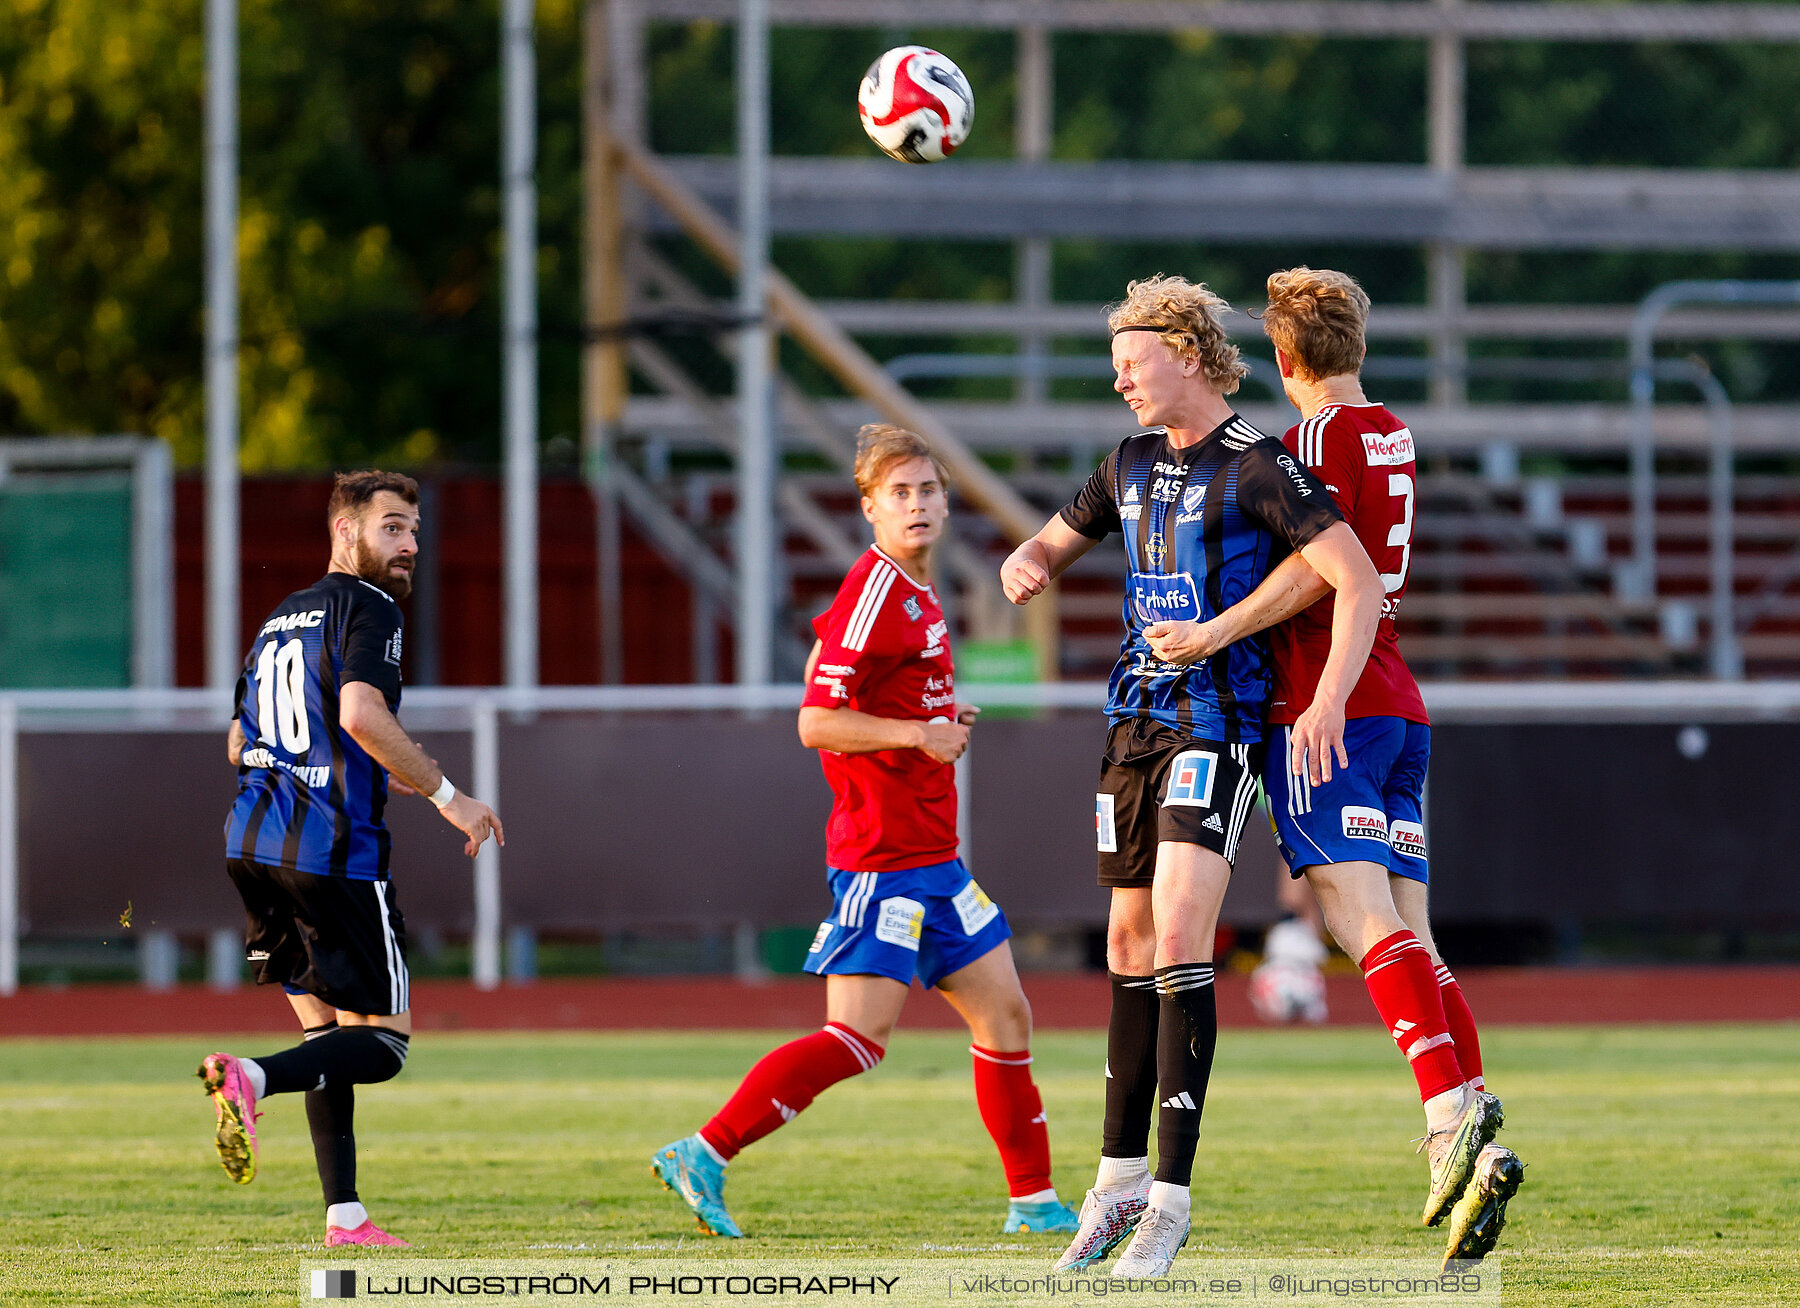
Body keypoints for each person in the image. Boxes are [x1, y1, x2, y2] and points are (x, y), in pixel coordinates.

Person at [1000, 275, 1384, 1277]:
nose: (1121, 379)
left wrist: (1332, 694)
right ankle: (1118, 1184)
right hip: (1131, 723)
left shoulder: (1260, 464)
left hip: (1217, 724)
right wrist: (1029, 561)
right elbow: (1056, 531)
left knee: (1178, 930)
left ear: (1186, 354)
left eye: (1133, 361)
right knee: (1126, 939)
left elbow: (1355, 574)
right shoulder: (1126, 462)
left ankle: (1171, 1198)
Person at [1164, 267, 1524, 1266]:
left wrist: (1217, 631)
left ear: (1284, 362)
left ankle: (1450, 1116)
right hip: (1399, 701)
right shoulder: (1394, 431)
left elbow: (1321, 569)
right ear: (1357, 345)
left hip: (1334, 702)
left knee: (1354, 920)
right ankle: (1470, 1125)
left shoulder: (1312, 441)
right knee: (1412, 930)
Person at [651, 425, 1078, 1240]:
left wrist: (934, 715)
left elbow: (882, 704)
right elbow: (815, 721)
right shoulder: (874, 594)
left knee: (1007, 1018)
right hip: (883, 861)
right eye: (899, 494)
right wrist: (918, 736)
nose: (916, 506)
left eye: (927, 491)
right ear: (870, 509)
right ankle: (703, 1151)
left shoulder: (919, 589)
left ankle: (1033, 1204)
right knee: (856, 1038)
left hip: (936, 862)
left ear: (947, 502)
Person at [197, 470, 503, 1248]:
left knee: (327, 1039)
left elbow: (241, 739)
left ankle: (346, 1217)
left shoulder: (277, 620)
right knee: (386, 1044)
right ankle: (250, 1078)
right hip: (332, 853)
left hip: (253, 842)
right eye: (392, 527)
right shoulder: (368, 606)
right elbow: (361, 712)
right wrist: (448, 796)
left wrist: (353, 766)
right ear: (346, 532)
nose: (408, 546)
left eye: (413, 531)